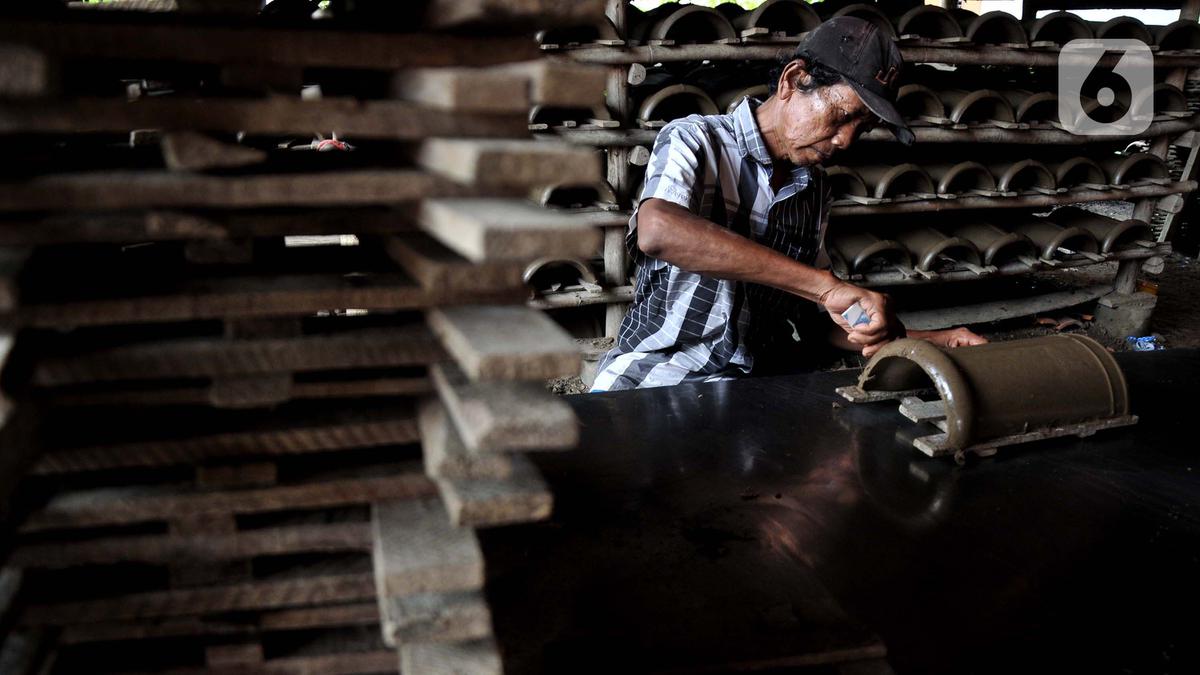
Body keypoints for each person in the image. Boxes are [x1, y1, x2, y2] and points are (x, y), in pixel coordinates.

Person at [591, 16, 985, 392]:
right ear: (793, 81)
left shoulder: (814, 190)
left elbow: (819, 323)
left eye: (861, 128)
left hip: (752, 386)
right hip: (656, 376)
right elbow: (658, 230)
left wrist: (930, 339)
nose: (846, 140)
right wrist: (827, 288)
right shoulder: (695, 140)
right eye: (842, 115)